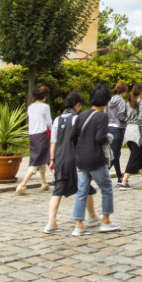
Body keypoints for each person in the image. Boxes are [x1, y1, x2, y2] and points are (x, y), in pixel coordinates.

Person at [72, 87, 121, 235]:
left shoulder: (82, 115)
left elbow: (73, 135)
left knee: (82, 190)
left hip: (80, 157)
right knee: (106, 188)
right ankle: (106, 220)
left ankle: (79, 224)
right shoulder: (101, 117)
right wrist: (109, 138)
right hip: (94, 158)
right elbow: (100, 138)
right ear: (106, 101)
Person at [44, 91, 86, 233]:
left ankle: (51, 222)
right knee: (83, 188)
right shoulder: (77, 119)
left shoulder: (57, 119)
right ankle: (80, 223)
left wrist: (52, 160)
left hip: (60, 158)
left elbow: (53, 141)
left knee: (58, 190)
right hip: (74, 157)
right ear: (77, 105)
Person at [16, 84, 54, 195]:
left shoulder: (30, 107)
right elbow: (48, 122)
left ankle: (44, 182)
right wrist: (53, 132)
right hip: (42, 134)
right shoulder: (45, 107)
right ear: (44, 96)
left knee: (40, 156)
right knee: (36, 160)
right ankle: (22, 185)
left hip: (32, 135)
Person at [121, 84, 142, 188]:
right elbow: (141, 120)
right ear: (141, 92)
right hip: (136, 131)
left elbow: (122, 116)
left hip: (128, 131)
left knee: (138, 155)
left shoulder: (128, 103)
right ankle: (124, 182)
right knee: (134, 157)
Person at [107, 80, 129, 181]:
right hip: (117, 128)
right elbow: (120, 115)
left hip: (108, 127)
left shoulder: (109, 101)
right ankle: (101, 174)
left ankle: (120, 176)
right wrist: (128, 120)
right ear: (124, 92)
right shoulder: (121, 101)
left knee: (114, 153)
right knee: (115, 155)